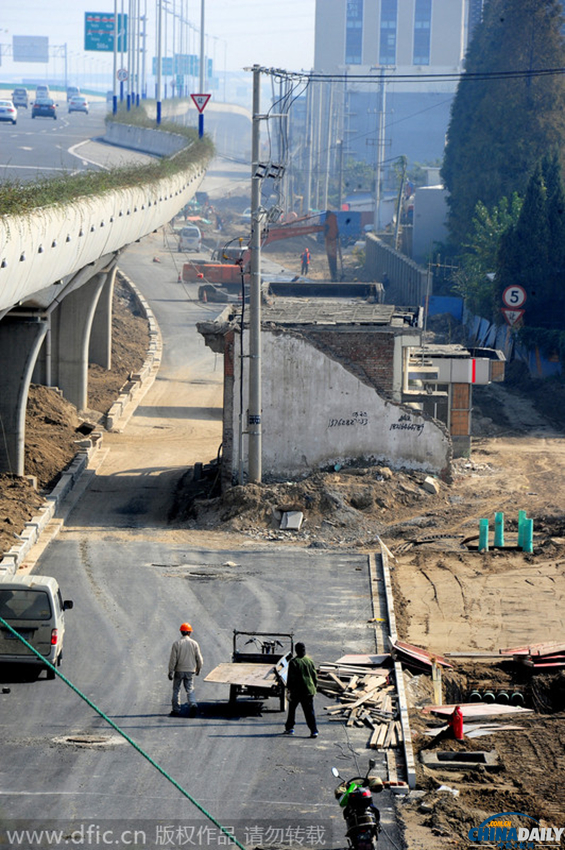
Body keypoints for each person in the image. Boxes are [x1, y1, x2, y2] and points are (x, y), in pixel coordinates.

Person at [284, 642, 318, 737]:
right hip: (309, 691)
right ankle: (314, 730)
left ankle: (290, 728)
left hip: (297, 691)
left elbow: (291, 678)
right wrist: (314, 688)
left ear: (296, 651)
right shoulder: (309, 661)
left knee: (292, 709)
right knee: (309, 712)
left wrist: (289, 690)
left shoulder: (294, 662)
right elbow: (314, 676)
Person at [168, 622, 203, 717]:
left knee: (176, 689)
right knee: (190, 689)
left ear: (181, 632)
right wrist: (198, 669)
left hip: (179, 671)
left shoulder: (176, 644)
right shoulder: (194, 644)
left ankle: (176, 709)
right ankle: (193, 704)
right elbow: (200, 659)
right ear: (189, 633)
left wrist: (171, 671)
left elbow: (173, 659)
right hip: (190, 671)